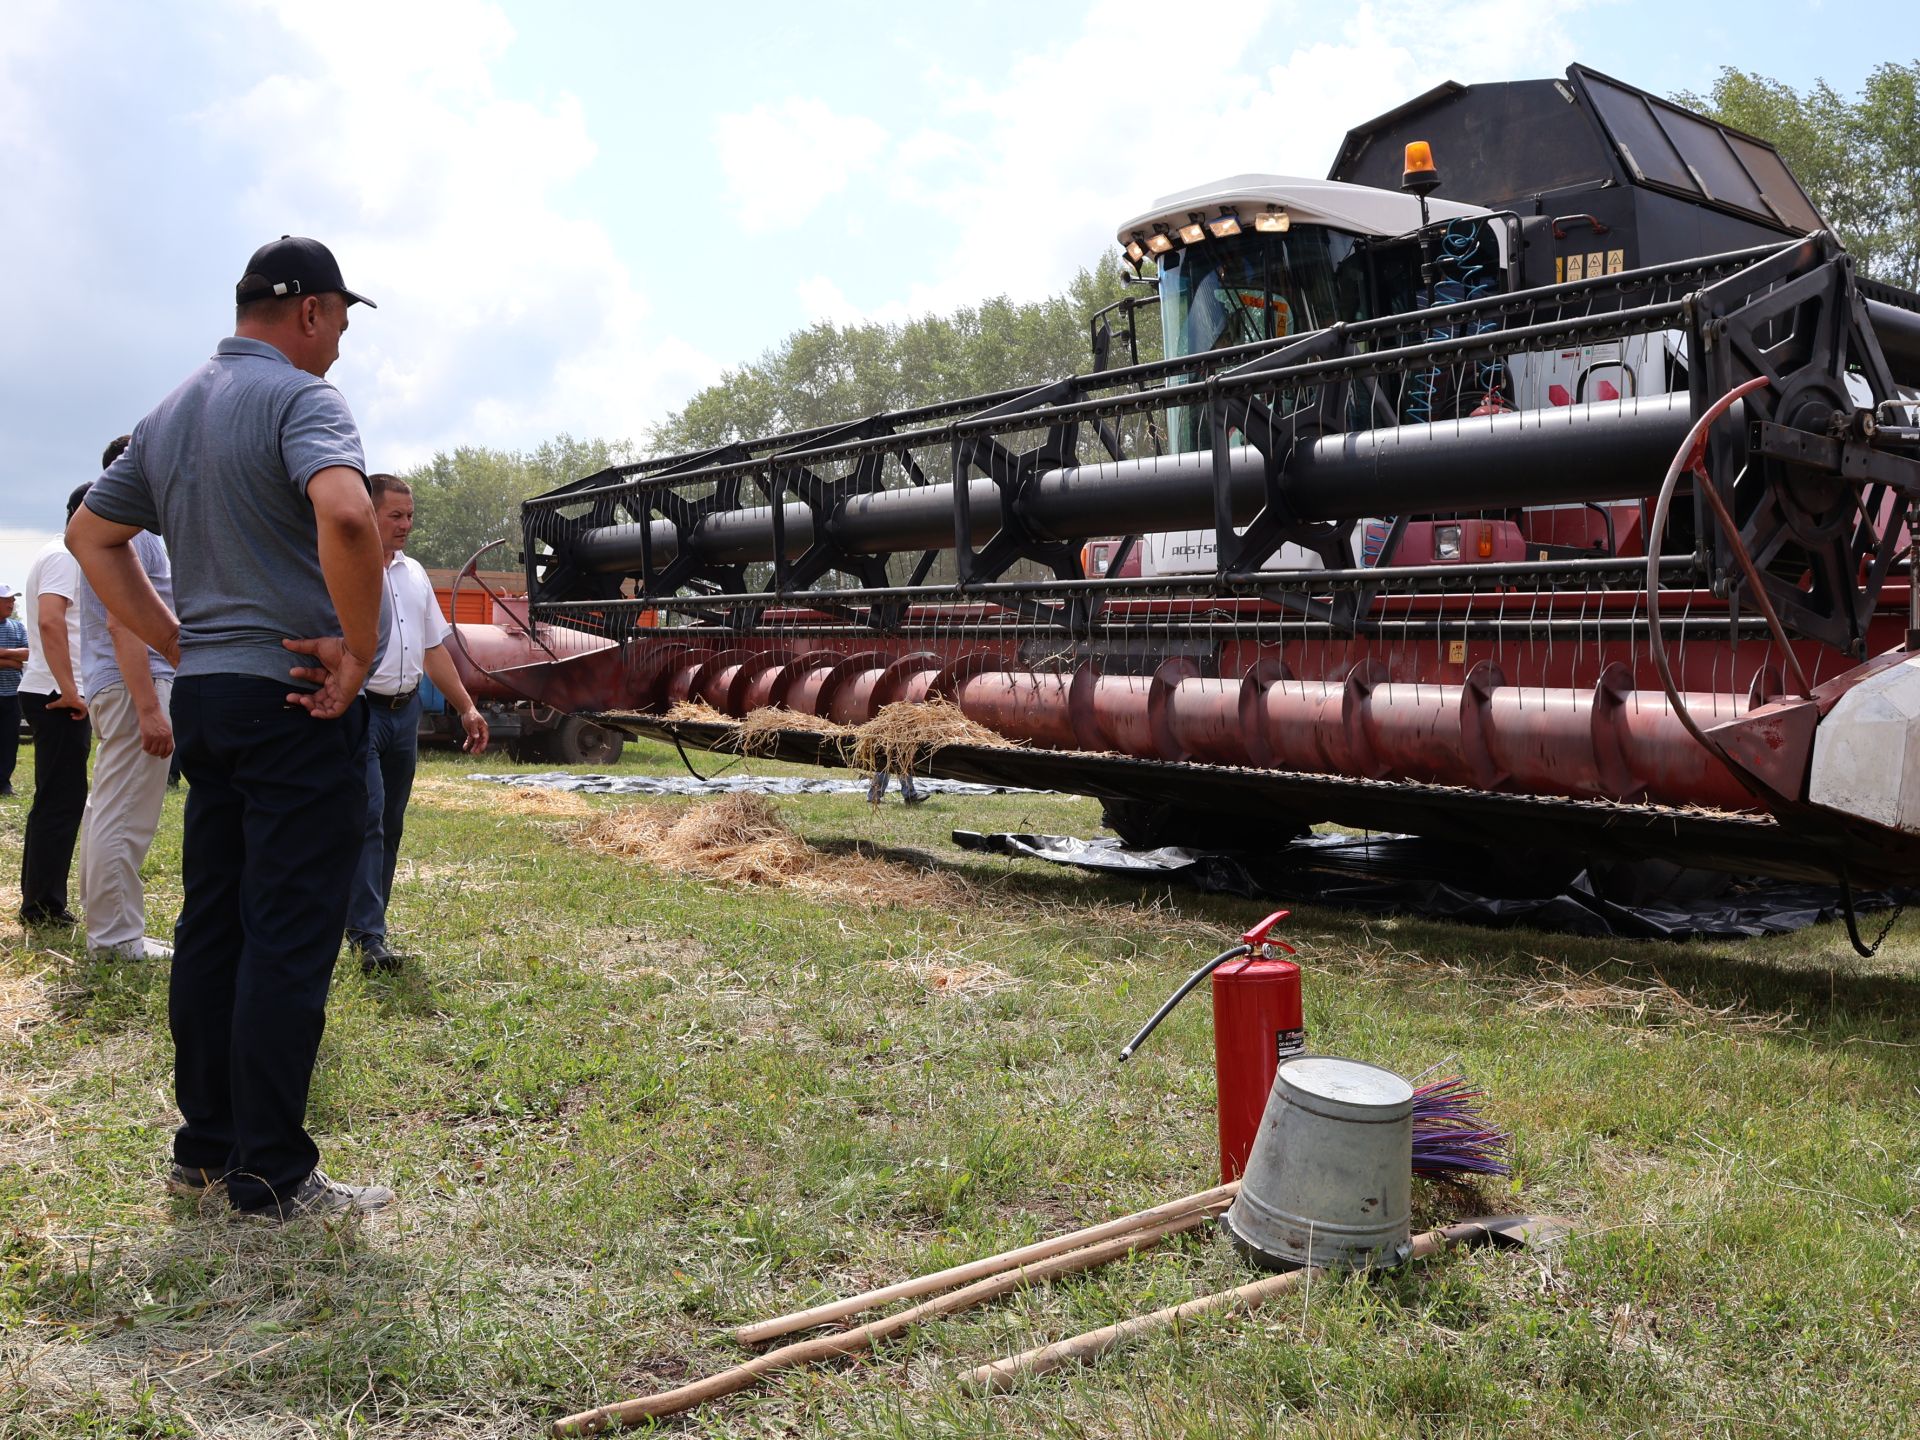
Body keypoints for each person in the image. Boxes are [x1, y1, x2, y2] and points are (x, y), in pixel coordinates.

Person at [67, 236, 393, 1224]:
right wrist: (362, 648)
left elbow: (93, 536)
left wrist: (177, 639)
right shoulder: (302, 399)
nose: (339, 341)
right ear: (305, 311)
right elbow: (346, 516)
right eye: (340, 318)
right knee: (288, 937)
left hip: (210, 698)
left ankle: (204, 1153)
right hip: (292, 696)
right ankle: (274, 1177)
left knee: (213, 928)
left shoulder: (168, 413)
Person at [346, 473, 488, 973]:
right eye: (396, 516)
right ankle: (368, 935)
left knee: (390, 822)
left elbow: (433, 650)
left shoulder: (414, 574)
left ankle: (366, 921)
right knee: (367, 817)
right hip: (360, 711)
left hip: (404, 714)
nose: (406, 525)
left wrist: (466, 706)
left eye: (410, 516)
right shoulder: (345, 566)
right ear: (369, 513)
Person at [74, 482, 177, 960]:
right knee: (126, 814)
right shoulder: (131, 529)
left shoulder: (113, 526)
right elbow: (124, 621)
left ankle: (105, 924)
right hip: (136, 683)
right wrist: (149, 707)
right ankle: (115, 938)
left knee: (107, 806)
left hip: (115, 684)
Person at [17, 483, 96, 925]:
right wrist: (70, 688)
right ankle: (43, 906)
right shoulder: (65, 556)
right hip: (55, 693)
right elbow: (51, 620)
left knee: (55, 799)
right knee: (61, 801)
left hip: (51, 688)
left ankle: (40, 899)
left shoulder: (60, 553)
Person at [0, 585, 26, 798]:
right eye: (6, 600)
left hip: (12, 695)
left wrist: (3, 653)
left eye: (13, 599)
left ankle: (4, 783)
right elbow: (18, 661)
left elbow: (28, 653)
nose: (12, 603)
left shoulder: (17, 627)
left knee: (9, 741)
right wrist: (11, 662)